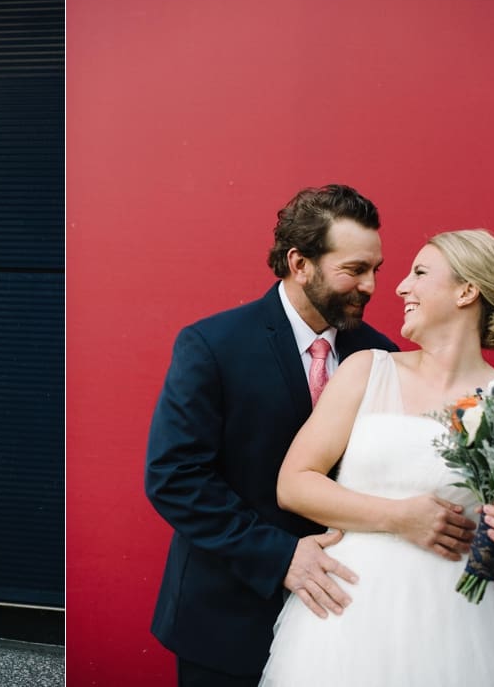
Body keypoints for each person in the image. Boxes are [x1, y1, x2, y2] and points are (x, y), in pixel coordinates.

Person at [145, 185, 433, 687]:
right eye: (354, 270)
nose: (370, 286)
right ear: (300, 263)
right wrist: (280, 555)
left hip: (346, 619)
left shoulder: (381, 358)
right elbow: (175, 477)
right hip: (226, 618)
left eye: (375, 270)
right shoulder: (212, 345)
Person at [260, 229, 494, 687]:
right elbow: (294, 483)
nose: (399, 287)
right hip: (346, 611)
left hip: (455, 624)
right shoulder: (366, 370)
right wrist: (399, 517)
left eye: (419, 272)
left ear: (466, 291)